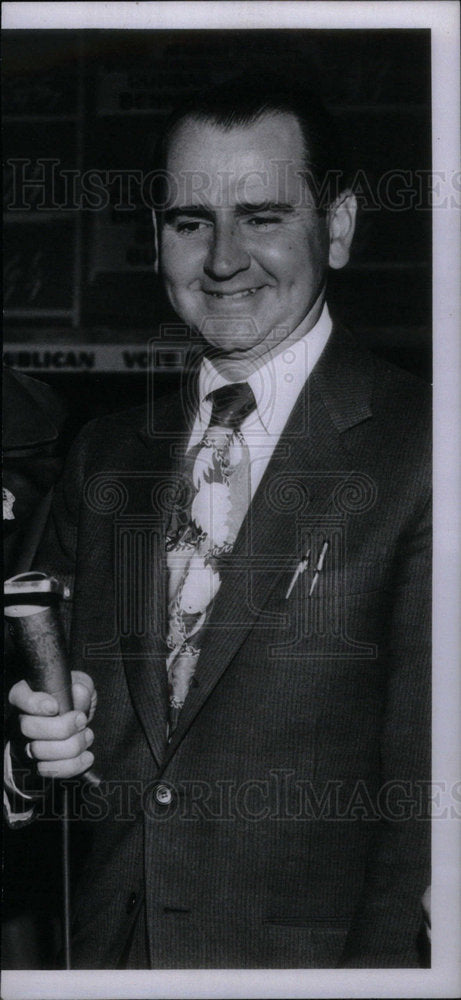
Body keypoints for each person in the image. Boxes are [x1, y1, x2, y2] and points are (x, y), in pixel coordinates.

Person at [5, 73, 431, 969]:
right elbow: (32, 719)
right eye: (191, 220)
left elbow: (422, 820)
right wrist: (27, 749)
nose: (224, 258)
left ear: (340, 227)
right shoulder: (103, 455)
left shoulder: (426, 452)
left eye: (264, 217)